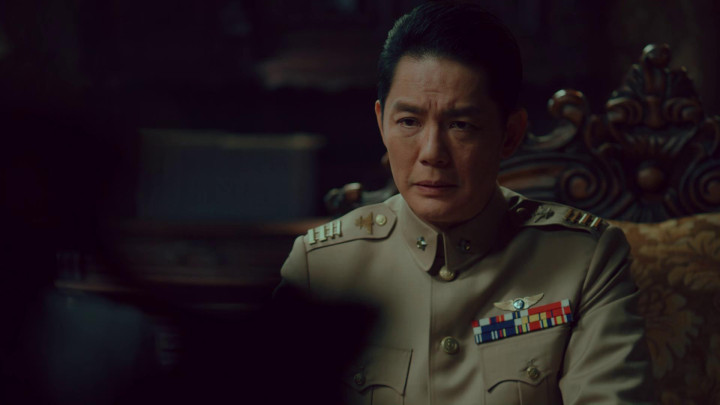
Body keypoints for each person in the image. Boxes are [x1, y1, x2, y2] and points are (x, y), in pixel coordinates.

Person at [277, 1, 654, 404]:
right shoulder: (320, 268)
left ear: (510, 134)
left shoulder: (585, 261)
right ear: (381, 122)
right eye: (409, 122)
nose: (432, 153)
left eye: (461, 125)